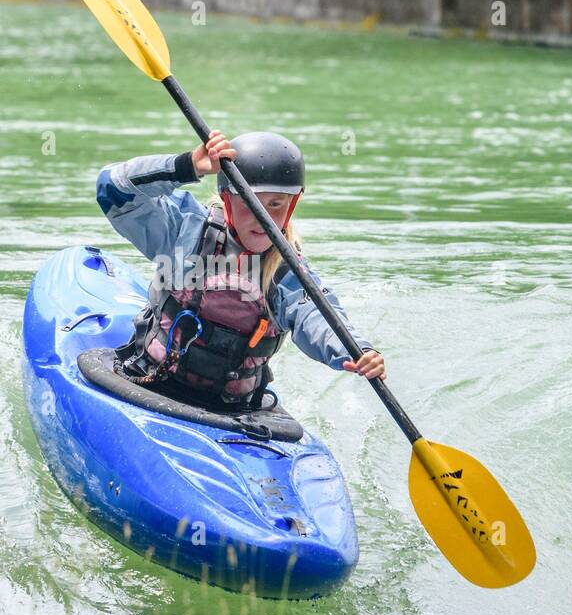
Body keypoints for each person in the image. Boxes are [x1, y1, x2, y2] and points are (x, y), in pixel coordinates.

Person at [96, 130, 384, 409]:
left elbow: (318, 316)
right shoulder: (186, 231)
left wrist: (357, 351)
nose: (263, 218)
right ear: (227, 200)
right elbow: (113, 189)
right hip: (148, 379)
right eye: (250, 203)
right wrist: (186, 166)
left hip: (232, 409)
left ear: (292, 205)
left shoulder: (286, 272)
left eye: (275, 204)